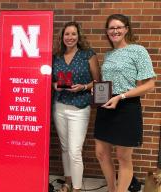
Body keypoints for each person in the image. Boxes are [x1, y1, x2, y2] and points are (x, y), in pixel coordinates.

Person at [94, 14, 156, 192]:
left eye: (119, 27)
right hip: (106, 105)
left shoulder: (138, 51)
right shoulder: (109, 54)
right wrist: (97, 92)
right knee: (101, 152)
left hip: (127, 106)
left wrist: (121, 97)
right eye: (111, 28)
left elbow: (150, 84)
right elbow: (108, 82)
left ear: (126, 29)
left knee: (123, 156)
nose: (115, 31)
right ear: (107, 31)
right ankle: (111, 189)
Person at [52, 21, 100, 192]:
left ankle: (77, 188)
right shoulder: (56, 56)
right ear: (62, 37)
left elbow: (98, 82)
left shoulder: (88, 55)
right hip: (59, 106)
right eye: (67, 34)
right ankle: (67, 183)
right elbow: (51, 80)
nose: (70, 37)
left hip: (80, 108)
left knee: (74, 150)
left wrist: (84, 87)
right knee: (65, 148)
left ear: (78, 36)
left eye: (73, 34)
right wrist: (54, 85)